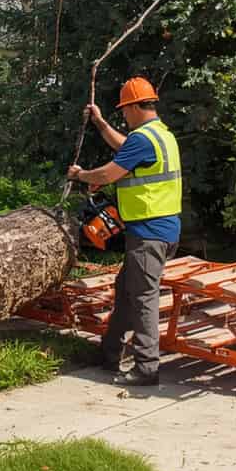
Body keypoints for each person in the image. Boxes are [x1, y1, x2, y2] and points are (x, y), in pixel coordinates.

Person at [67, 77, 182, 387]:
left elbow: (110, 172)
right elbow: (125, 148)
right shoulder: (161, 135)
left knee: (143, 298)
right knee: (127, 291)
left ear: (133, 106)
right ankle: (110, 352)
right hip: (162, 230)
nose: (124, 116)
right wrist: (101, 124)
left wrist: (83, 176)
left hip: (148, 233)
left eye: (124, 110)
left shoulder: (144, 139)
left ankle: (147, 367)